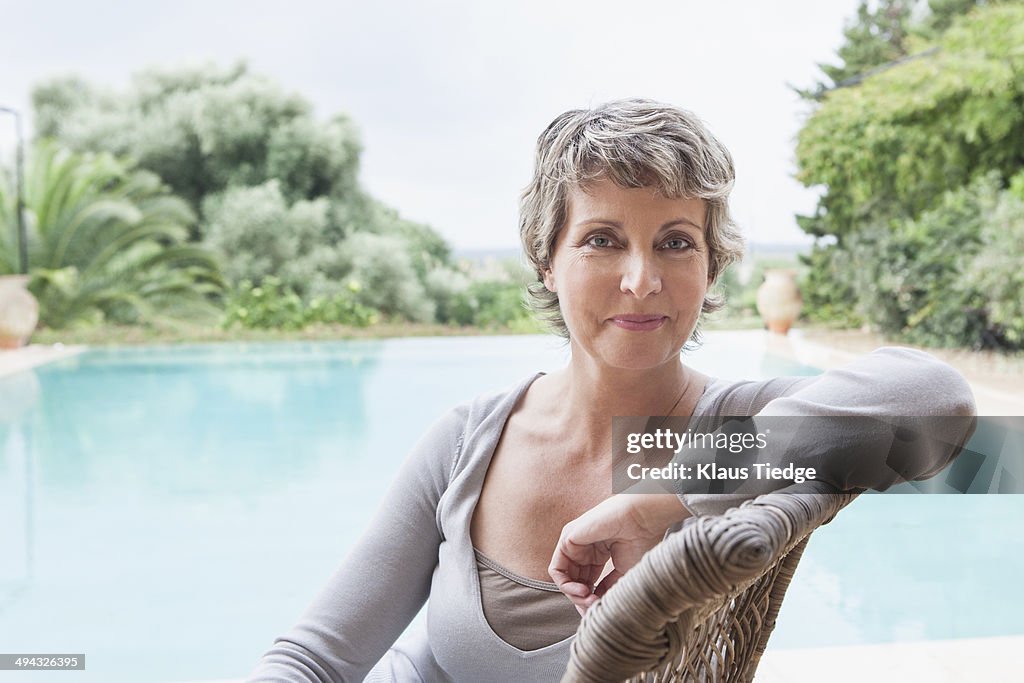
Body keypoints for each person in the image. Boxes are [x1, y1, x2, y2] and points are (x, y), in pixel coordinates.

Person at [248, 99, 976, 682]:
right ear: (546, 260)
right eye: (602, 239)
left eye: (675, 241)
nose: (641, 279)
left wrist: (668, 495)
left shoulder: (738, 425)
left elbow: (935, 399)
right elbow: (313, 658)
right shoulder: (471, 439)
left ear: (712, 267)